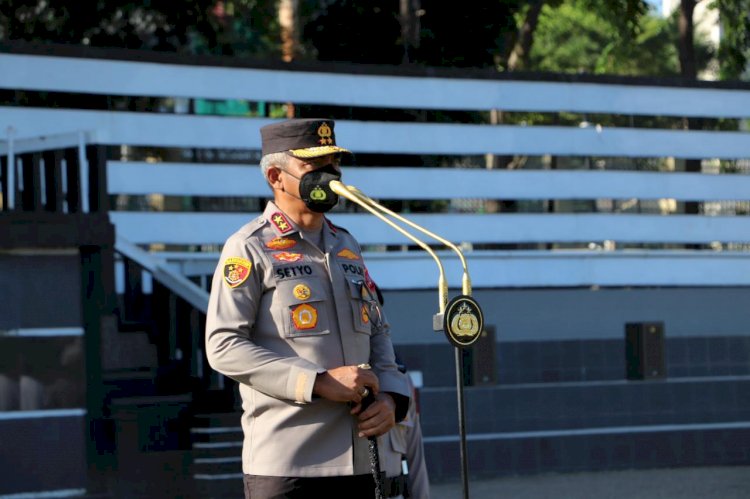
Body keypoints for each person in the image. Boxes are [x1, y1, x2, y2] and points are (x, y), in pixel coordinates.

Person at [205, 118, 410, 499]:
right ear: (275, 176)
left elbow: (378, 331)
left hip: (366, 462)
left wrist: (392, 398)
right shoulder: (248, 247)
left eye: (334, 165)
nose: (330, 176)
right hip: (291, 466)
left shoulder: (346, 244)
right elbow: (223, 346)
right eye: (315, 168)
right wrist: (316, 382)